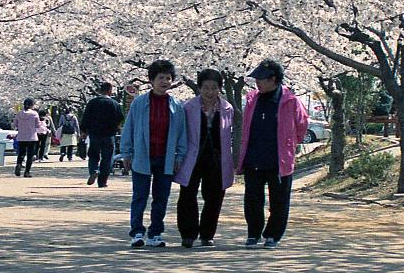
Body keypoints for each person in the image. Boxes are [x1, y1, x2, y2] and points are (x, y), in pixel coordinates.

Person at [237, 59, 309, 249]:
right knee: (252, 198)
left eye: (261, 79)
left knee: (279, 199)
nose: (257, 83)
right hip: (254, 156)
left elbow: (302, 126)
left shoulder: (291, 101)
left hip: (279, 159)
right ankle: (253, 233)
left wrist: (290, 143)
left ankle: (273, 235)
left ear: (274, 79)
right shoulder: (252, 99)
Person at [120, 60, 188, 249]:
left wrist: (179, 156)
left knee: (161, 197)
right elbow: (129, 127)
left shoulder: (176, 105)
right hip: (142, 156)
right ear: (151, 80)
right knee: (140, 196)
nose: (165, 81)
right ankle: (137, 232)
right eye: (161, 78)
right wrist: (126, 152)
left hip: (165, 158)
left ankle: (155, 233)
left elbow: (182, 132)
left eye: (168, 78)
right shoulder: (139, 103)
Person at [175, 69, 235, 248]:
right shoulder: (188, 107)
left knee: (215, 197)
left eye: (214, 88)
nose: (210, 92)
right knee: (187, 195)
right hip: (192, 157)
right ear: (200, 88)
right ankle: (188, 233)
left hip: (217, 158)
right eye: (206, 88)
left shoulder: (226, 108)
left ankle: (207, 234)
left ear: (220, 89)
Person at [82, 82, 124, 187]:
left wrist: (84, 131)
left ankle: (94, 171)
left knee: (93, 155)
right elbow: (120, 119)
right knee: (108, 157)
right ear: (110, 91)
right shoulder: (115, 104)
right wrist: (116, 128)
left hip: (95, 133)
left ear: (100, 91)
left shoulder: (92, 102)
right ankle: (102, 181)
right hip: (109, 135)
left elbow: (86, 117)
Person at [13, 98, 41, 178]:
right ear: (32, 105)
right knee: (30, 155)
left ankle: (18, 164)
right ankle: (27, 172)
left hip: (21, 137)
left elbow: (15, 124)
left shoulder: (18, 114)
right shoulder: (34, 114)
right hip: (31, 137)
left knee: (21, 153)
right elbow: (38, 125)